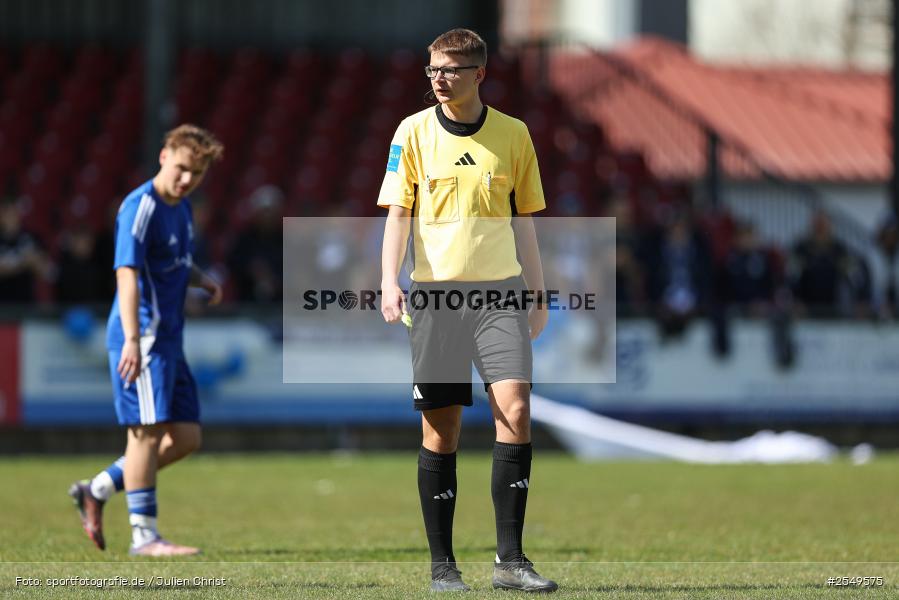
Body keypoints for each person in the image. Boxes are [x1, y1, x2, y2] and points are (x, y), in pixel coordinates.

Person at [378, 28, 558, 593]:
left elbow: (524, 219)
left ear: (479, 74)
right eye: (432, 68)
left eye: (450, 69)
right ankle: (443, 568)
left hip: (499, 295)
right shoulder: (411, 132)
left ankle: (510, 561)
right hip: (435, 299)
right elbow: (397, 215)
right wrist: (388, 280)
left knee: (517, 410)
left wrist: (539, 289)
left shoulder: (514, 134)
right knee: (442, 433)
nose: (438, 77)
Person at [68, 124, 224, 556]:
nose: (186, 179)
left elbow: (174, 261)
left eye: (196, 172)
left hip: (171, 339)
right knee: (145, 436)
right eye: (180, 168)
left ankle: (97, 488)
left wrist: (203, 281)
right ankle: (144, 536)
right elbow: (127, 273)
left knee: (187, 437)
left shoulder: (183, 208)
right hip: (145, 338)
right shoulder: (140, 206)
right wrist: (134, 340)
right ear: (163, 156)